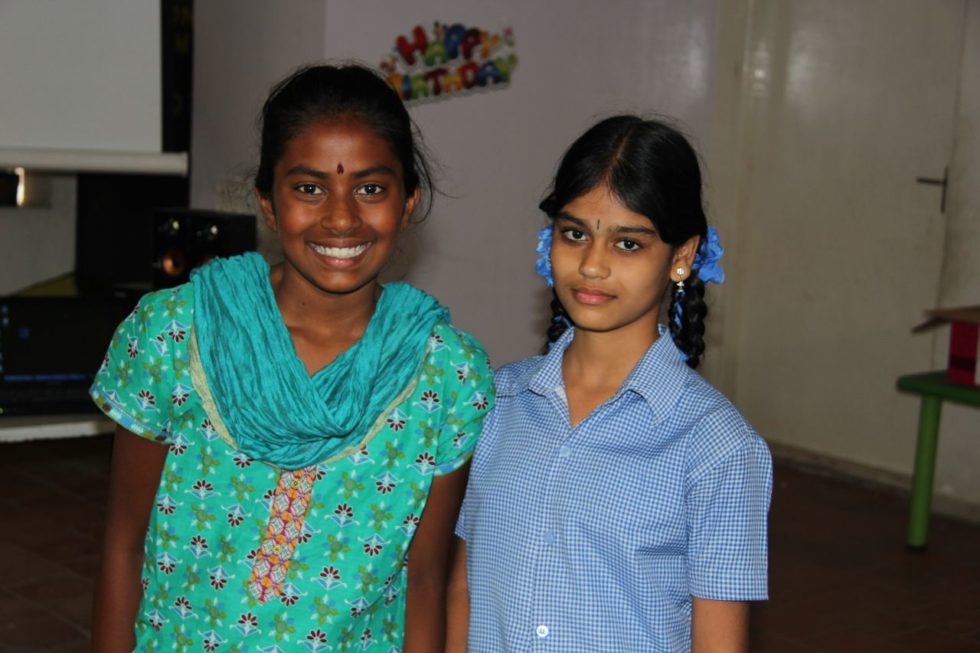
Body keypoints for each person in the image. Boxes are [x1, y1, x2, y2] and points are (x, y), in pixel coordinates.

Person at [90, 63, 494, 653]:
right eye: (309, 188)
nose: (340, 217)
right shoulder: (175, 335)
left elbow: (425, 581)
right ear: (268, 203)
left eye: (371, 188)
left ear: (408, 202)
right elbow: (123, 545)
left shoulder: (449, 375)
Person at [450, 115, 771, 652]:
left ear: (683, 257)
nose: (593, 266)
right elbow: (464, 588)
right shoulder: (496, 405)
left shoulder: (718, 448)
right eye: (575, 234)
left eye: (628, 244)